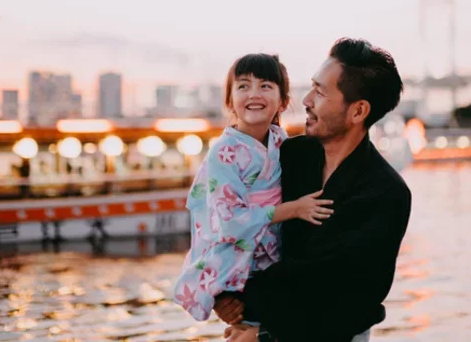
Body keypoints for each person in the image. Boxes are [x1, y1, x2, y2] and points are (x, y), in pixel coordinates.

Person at [215, 38, 412, 342]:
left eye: (320, 92)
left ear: (358, 111)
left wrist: (263, 333)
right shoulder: (288, 157)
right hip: (254, 324)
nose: (306, 100)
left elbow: (345, 296)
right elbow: (228, 215)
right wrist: (220, 291)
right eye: (311, 87)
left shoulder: (385, 194)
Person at [173, 53, 334, 323]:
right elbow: (229, 223)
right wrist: (293, 209)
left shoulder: (281, 141)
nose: (254, 93)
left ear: (283, 101)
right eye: (243, 86)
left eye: (266, 86)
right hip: (240, 273)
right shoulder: (223, 153)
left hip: (275, 267)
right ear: (230, 101)